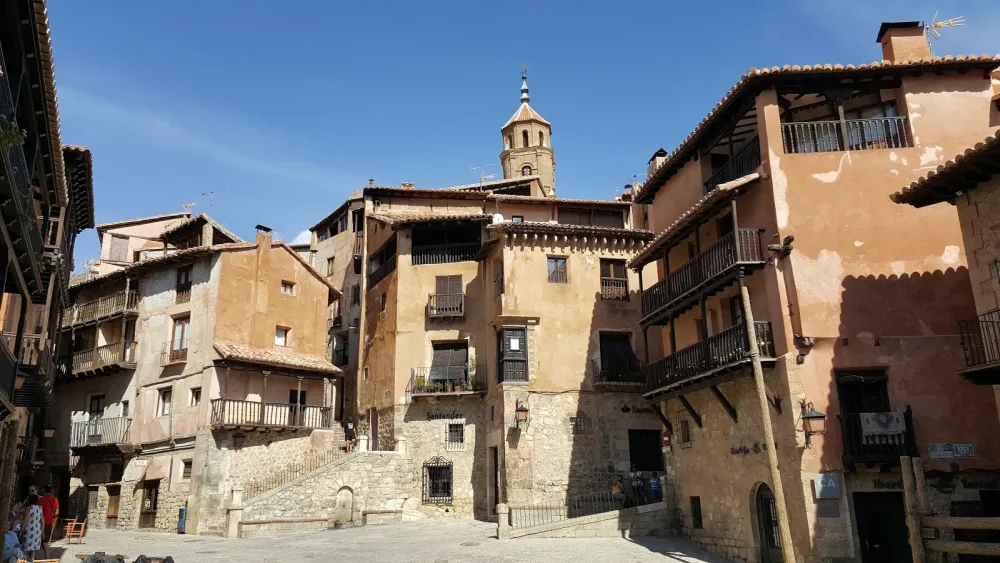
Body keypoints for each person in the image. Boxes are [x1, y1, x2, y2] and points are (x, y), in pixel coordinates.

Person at [19, 494, 43, 560]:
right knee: (33, 550)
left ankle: (27, 561)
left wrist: (20, 532)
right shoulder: (40, 508)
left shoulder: (29, 508)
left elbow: (25, 520)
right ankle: (32, 560)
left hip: (29, 529)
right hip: (37, 530)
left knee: (25, 549)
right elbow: (41, 520)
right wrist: (42, 531)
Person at [38, 484, 59, 553]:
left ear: (44, 490)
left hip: (39, 523)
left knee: (36, 542)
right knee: (45, 543)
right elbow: (56, 513)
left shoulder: (41, 499)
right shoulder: (55, 499)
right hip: (49, 523)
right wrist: (50, 513)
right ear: (51, 490)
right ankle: (47, 558)